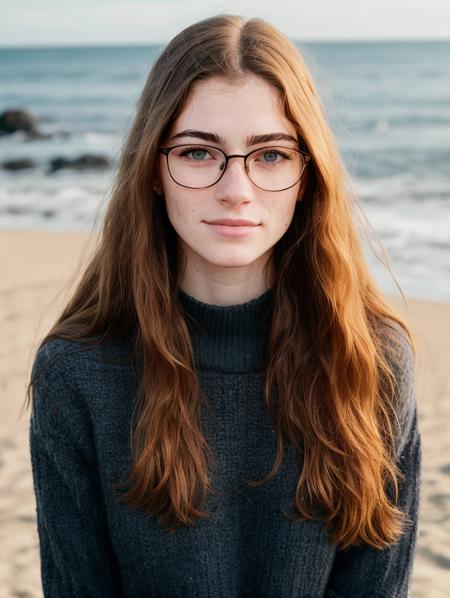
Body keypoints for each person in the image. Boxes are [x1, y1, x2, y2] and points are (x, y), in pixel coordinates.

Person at [26, 13, 422, 597]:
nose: (235, 189)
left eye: (270, 156)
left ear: (308, 176)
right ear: (153, 170)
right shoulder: (78, 373)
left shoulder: (373, 363)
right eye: (197, 153)